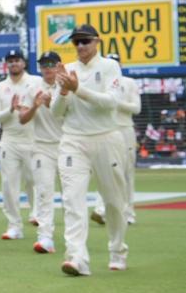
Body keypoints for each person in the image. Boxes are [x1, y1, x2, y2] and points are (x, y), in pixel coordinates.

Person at [50, 24, 130, 276]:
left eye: (85, 41)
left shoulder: (109, 67)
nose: (81, 46)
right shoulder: (67, 70)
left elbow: (111, 102)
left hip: (106, 139)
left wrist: (78, 90)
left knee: (114, 202)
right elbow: (55, 112)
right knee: (72, 201)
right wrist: (63, 91)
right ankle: (77, 258)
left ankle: (117, 251)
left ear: (98, 41)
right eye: (77, 42)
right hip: (73, 140)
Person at [0, 49, 41, 241]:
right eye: (10, 61)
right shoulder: (0, 87)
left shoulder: (36, 82)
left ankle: (38, 215)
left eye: (17, 60)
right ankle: (14, 226)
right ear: (6, 65)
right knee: (9, 184)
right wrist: (10, 109)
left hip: (33, 138)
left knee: (35, 180)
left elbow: (43, 106)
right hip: (9, 139)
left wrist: (29, 108)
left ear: (23, 63)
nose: (13, 64)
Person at [21, 51, 64, 254]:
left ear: (59, 65)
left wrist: (52, 104)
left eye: (51, 64)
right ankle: (45, 238)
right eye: (44, 64)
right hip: (41, 147)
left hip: (68, 146)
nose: (48, 68)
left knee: (71, 197)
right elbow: (22, 118)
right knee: (44, 192)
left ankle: (74, 239)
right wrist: (35, 107)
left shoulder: (68, 85)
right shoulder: (32, 88)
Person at [91, 54, 141, 226]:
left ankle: (128, 213)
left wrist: (116, 103)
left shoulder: (128, 83)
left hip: (125, 129)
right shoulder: (99, 81)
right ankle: (101, 209)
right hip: (105, 129)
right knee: (104, 170)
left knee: (126, 173)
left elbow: (136, 108)